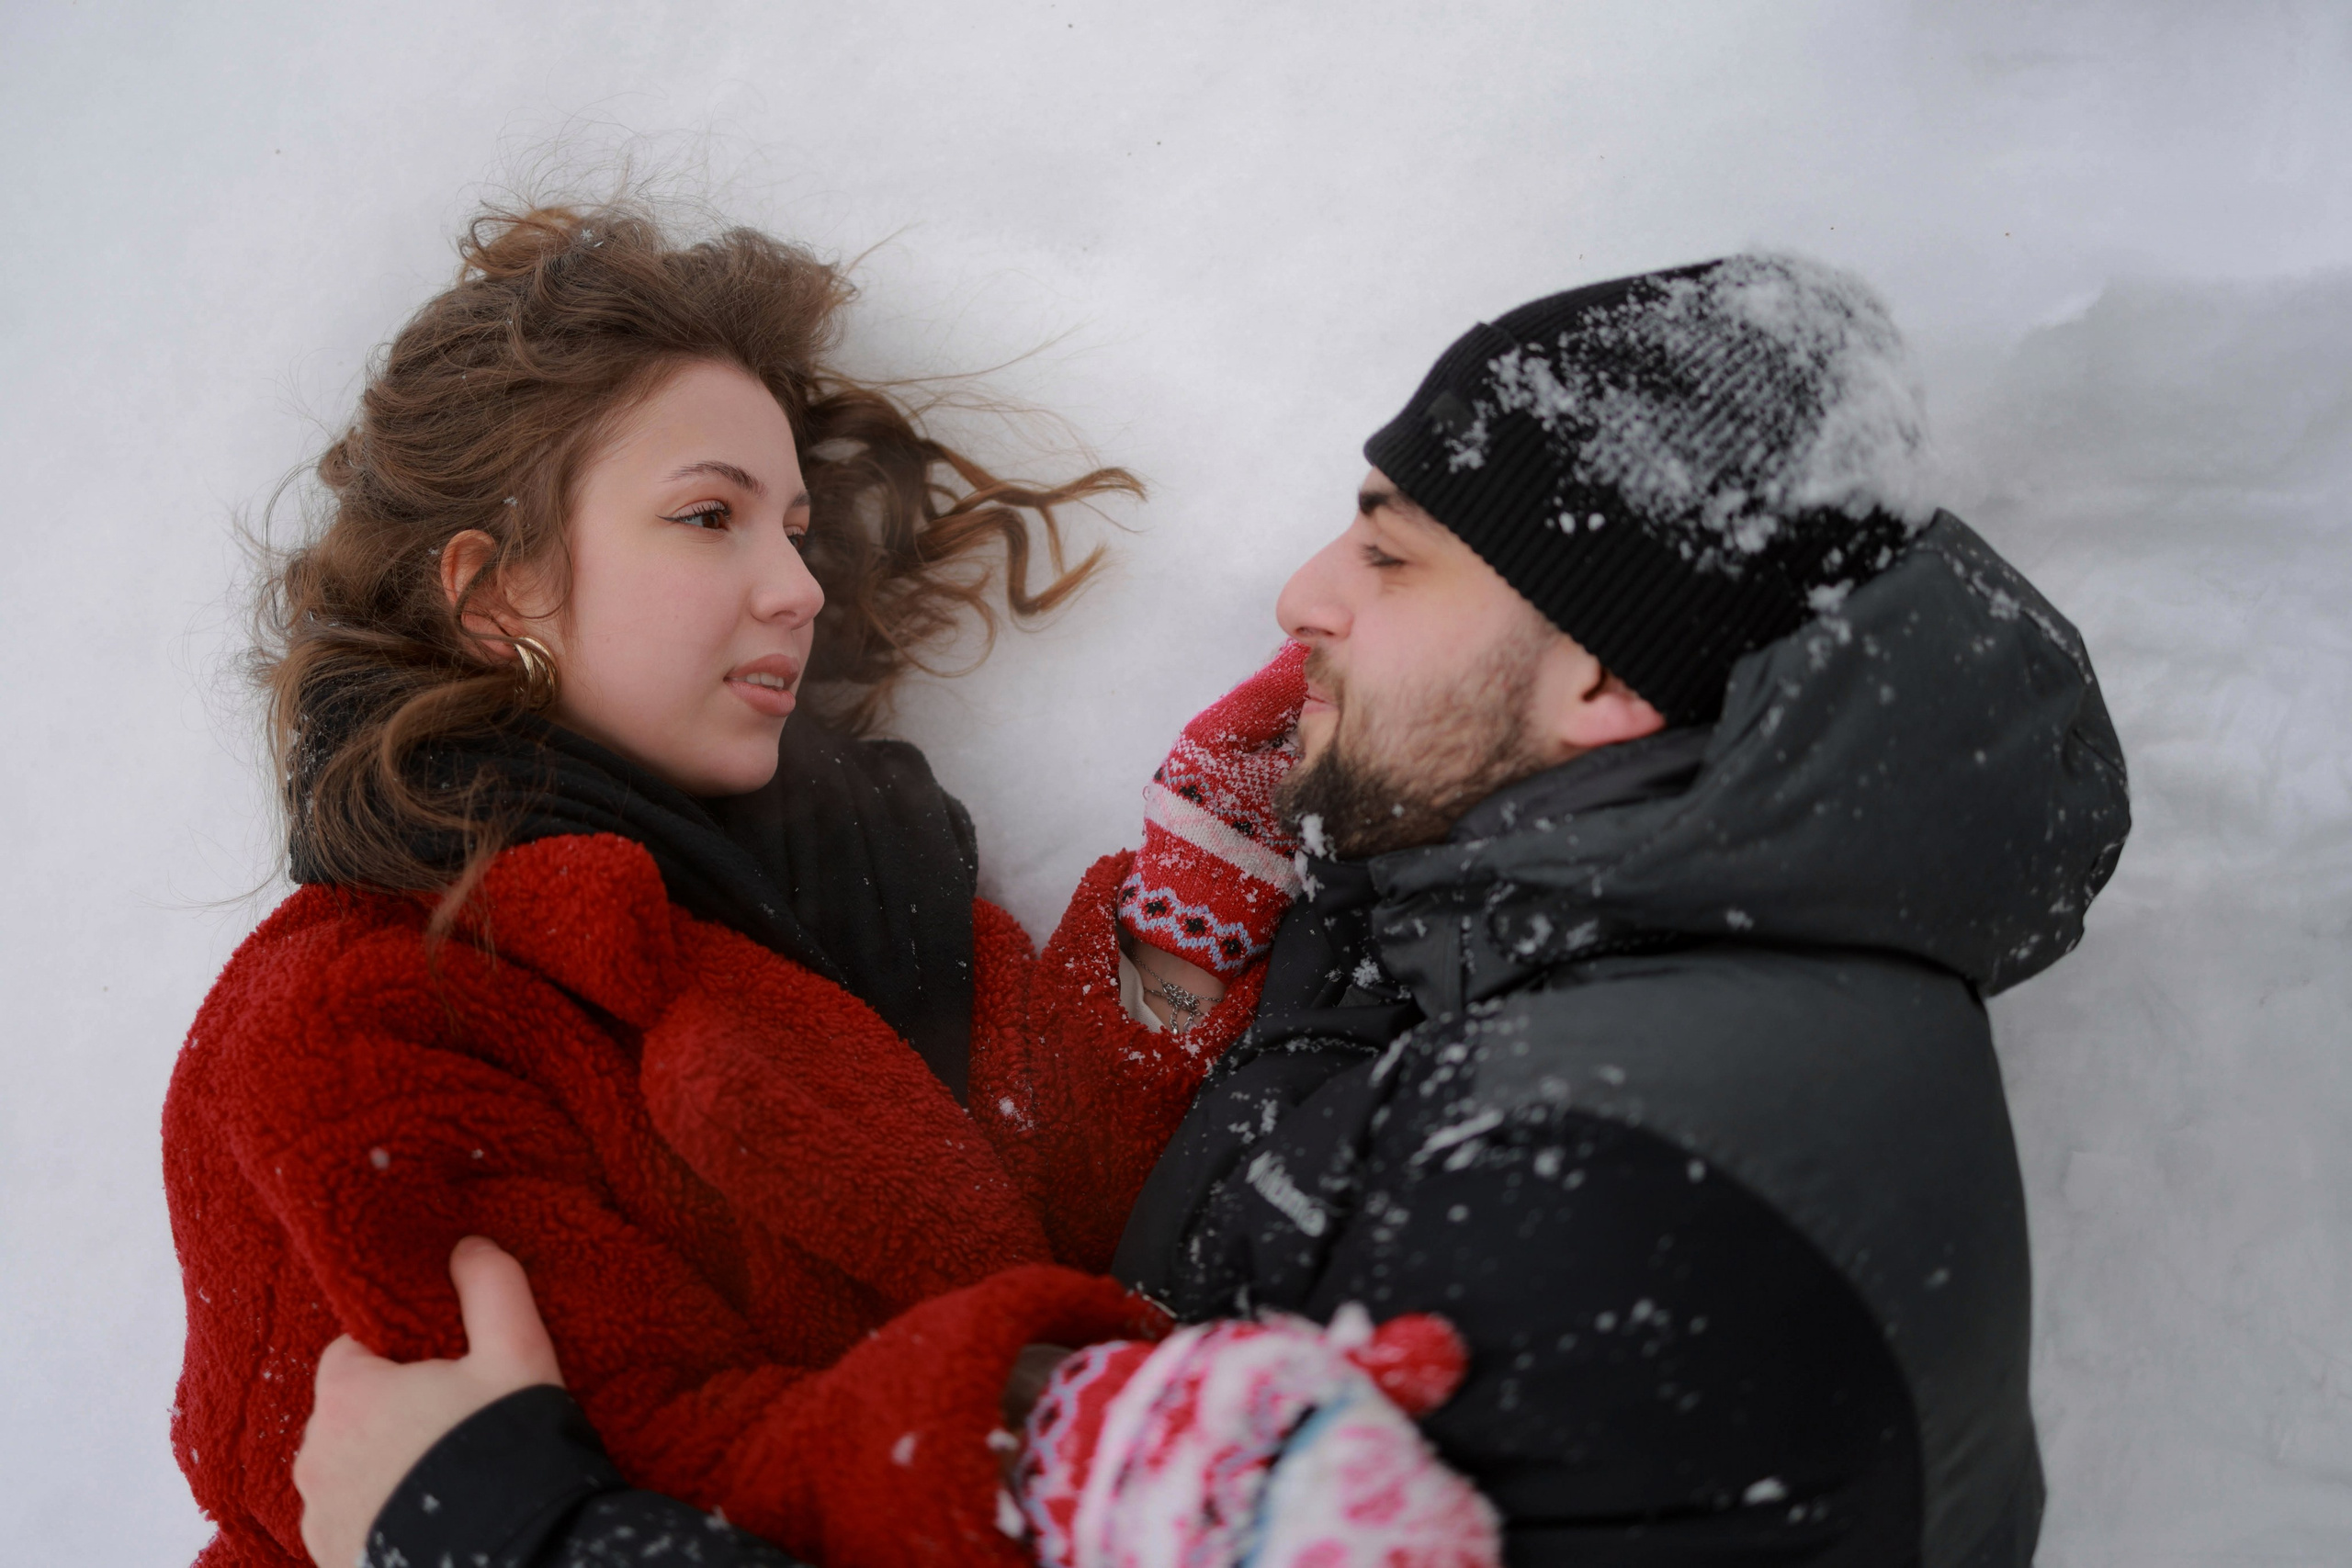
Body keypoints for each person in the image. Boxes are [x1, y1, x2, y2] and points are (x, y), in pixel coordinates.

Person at [292, 254, 2132, 1567]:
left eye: (1391, 553)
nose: (1300, 589)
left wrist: (501, 1528)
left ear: (1597, 687)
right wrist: (1218, 932)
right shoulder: (1626, 966)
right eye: (715, 519)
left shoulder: (1599, 1186)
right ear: (497, 589)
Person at [163, 197, 1328, 1568]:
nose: (796, 586)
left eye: (794, 527)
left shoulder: (851, 894)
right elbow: (623, 1487)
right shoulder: (359, 1020)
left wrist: (1189, 913)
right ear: (497, 596)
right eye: (709, 517)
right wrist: (1082, 1440)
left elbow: (1028, 1207)